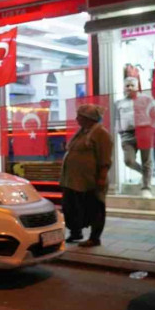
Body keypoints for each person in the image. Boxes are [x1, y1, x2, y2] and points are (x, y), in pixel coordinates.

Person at [60, 104, 113, 247]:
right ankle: (75, 232)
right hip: (72, 180)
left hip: (89, 180)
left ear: (88, 118)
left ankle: (94, 238)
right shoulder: (82, 132)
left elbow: (105, 159)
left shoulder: (101, 133)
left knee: (95, 208)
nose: (76, 119)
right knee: (70, 207)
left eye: (79, 116)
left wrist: (101, 178)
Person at [115, 76, 155, 198]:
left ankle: (146, 188)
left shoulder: (146, 99)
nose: (129, 87)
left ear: (137, 86)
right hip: (127, 135)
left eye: (132, 85)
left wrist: (151, 129)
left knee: (147, 162)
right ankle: (145, 174)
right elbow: (117, 119)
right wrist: (120, 132)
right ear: (124, 87)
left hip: (144, 132)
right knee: (128, 161)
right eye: (127, 85)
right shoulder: (119, 103)